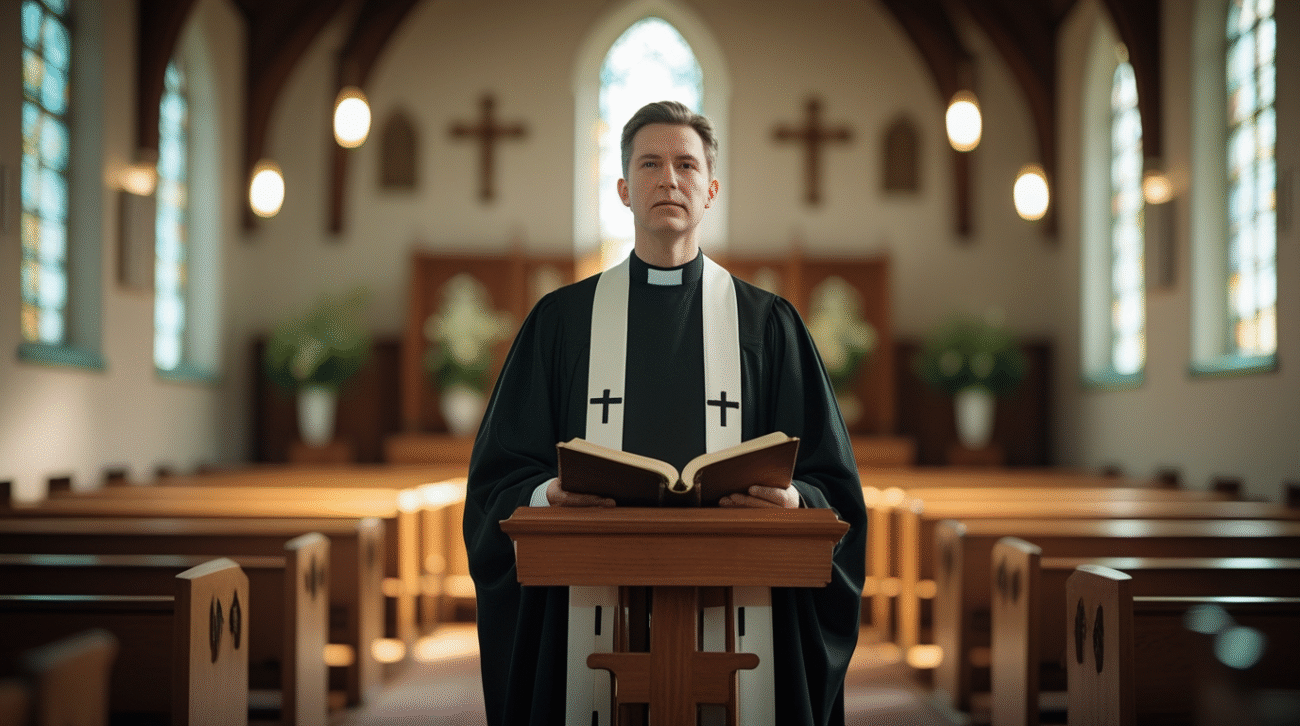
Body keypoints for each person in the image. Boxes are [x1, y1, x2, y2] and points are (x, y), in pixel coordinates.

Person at [464, 100, 866, 726]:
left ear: (711, 189)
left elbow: (832, 485)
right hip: (586, 595)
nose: (668, 179)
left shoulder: (768, 325)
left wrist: (796, 504)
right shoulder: (561, 323)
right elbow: (496, 480)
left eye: (686, 165)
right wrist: (547, 492)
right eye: (650, 164)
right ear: (624, 189)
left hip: (742, 595)